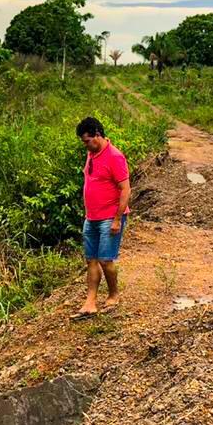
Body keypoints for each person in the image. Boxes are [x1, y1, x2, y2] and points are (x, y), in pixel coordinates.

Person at [74, 116, 130, 319]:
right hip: (92, 217)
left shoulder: (115, 157)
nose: (86, 146)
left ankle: (114, 294)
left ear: (97, 135)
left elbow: (125, 189)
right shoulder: (92, 153)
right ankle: (90, 302)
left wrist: (117, 219)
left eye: (87, 141)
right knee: (91, 260)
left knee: (106, 260)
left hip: (109, 217)